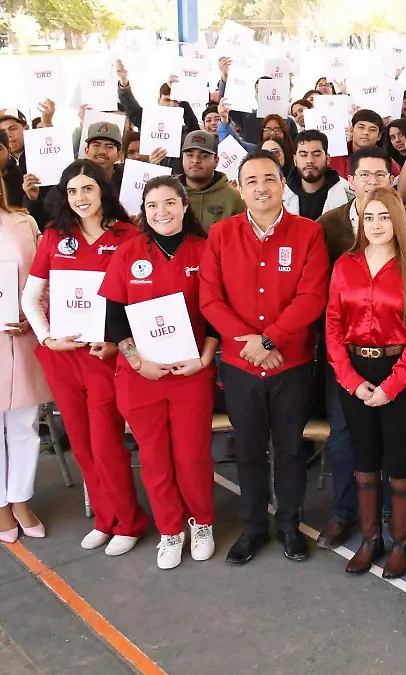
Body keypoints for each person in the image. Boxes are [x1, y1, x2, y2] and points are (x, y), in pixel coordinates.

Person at [199, 150, 330, 565]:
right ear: (240, 187)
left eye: (270, 179)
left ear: (282, 185)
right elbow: (210, 299)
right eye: (252, 180)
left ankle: (290, 524)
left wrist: (269, 341)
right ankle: (254, 527)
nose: (261, 187)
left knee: (291, 450)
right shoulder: (221, 234)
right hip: (240, 366)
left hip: (290, 365)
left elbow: (312, 297)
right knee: (250, 450)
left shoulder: (308, 233)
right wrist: (251, 344)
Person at [19, 159, 149, 555]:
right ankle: (105, 520)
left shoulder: (128, 236)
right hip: (62, 357)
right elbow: (30, 296)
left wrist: (118, 343)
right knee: (81, 444)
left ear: (102, 191)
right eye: (72, 191)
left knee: (107, 441)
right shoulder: (56, 236)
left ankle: (129, 521)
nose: (80, 198)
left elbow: (141, 297)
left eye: (87, 189)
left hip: (105, 356)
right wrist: (47, 337)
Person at [313, 148, 406, 551]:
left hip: (399, 377)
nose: (377, 223)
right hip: (354, 375)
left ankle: (400, 542)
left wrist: (392, 385)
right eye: (370, 217)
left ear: (398, 219)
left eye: (385, 216)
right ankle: (369, 540)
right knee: (363, 460)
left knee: (398, 461)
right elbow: (333, 325)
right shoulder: (344, 266)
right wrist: (351, 381)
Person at [99, 177, 219, 570]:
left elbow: (217, 313)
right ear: (143, 212)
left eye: (170, 203)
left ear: (185, 206)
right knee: (154, 457)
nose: (161, 212)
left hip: (191, 373)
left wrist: (204, 359)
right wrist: (137, 362)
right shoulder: (129, 251)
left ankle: (201, 523)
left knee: (191, 456)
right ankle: (170, 530)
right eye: (152, 206)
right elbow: (115, 317)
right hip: (141, 376)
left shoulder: (205, 251)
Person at [0, 184, 51, 543]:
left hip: (20, 334)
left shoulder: (22, 222)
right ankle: (0, 505)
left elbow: (43, 278)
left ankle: (20, 500)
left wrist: (35, 314)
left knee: (24, 424)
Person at [178, 131, 245, 232]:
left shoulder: (233, 198)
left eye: (204, 156)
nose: (195, 160)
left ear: (216, 161)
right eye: (189, 155)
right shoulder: (168, 193)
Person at [283, 130, 351, 220]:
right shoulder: (280, 196)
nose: (310, 160)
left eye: (316, 154)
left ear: (327, 159)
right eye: (303, 155)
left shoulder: (348, 194)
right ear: (295, 160)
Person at [328, 110, 400, 179]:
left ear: (379, 136)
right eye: (361, 127)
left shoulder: (388, 162)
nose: (366, 133)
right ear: (351, 130)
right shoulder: (332, 157)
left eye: (372, 129)